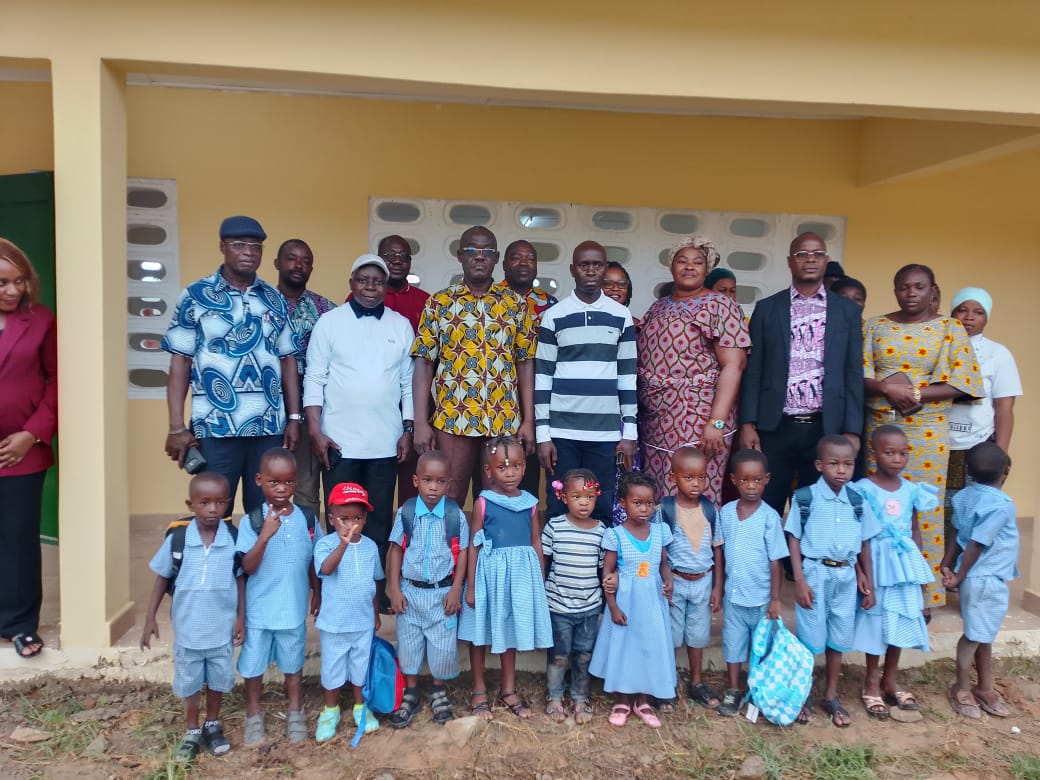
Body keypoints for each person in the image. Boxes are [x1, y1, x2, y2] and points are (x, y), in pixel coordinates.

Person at [162, 216, 301, 514]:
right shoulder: (195, 296)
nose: (249, 252)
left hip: (267, 428)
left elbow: (287, 359)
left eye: (256, 246)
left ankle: (258, 563)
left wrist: (293, 417)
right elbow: (180, 362)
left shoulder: (274, 298)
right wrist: (176, 426)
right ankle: (218, 563)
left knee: (263, 514)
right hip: (215, 429)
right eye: (239, 245)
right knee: (214, 514)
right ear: (223, 247)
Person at [739, 233, 865, 555]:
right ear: (789, 261)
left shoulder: (847, 313)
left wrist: (851, 430)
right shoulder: (767, 309)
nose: (810, 259)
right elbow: (754, 370)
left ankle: (809, 572)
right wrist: (748, 423)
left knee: (817, 507)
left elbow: (853, 372)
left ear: (825, 260)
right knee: (769, 501)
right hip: (774, 425)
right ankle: (765, 570)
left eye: (817, 253)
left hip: (826, 426)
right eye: (802, 254)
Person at [863, 264, 981, 607]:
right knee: (880, 508)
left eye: (919, 287)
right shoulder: (875, 326)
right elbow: (858, 373)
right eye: (903, 287)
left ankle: (921, 595)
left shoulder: (949, 328)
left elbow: (962, 382)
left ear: (933, 291)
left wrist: (912, 394)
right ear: (895, 289)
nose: (910, 293)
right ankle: (880, 589)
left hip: (927, 432)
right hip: (881, 427)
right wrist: (886, 388)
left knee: (923, 510)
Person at [304, 253, 413, 613]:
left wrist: (408, 427)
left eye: (377, 281)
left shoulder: (399, 326)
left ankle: (376, 590)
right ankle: (335, 588)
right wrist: (315, 430)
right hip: (339, 442)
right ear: (352, 284)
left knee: (379, 520)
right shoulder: (329, 323)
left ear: (386, 286)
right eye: (363, 280)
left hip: (384, 442)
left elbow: (408, 382)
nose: (371, 287)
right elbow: (314, 377)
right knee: (339, 516)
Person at [412, 227, 536, 505]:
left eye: (486, 252)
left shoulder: (516, 305)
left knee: (500, 496)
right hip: (453, 418)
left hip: (504, 418)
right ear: (459, 256)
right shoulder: (439, 303)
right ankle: (454, 550)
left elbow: (525, 363)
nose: (479, 257)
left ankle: (491, 550)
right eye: (471, 251)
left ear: (496, 258)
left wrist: (528, 420)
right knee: (449, 493)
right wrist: (420, 421)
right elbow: (423, 363)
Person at [140, 472, 244, 763]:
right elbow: (162, 577)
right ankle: (191, 729)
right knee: (190, 682)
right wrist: (150, 619)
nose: (213, 509)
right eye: (204, 502)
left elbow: (240, 580)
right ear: (191, 504)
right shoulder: (178, 540)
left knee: (219, 680)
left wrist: (240, 618)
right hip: (188, 632)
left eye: (220, 502)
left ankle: (212, 723)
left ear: (227, 504)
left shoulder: (233, 540)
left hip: (220, 630)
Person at [637, 236, 750, 501]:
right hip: (657, 420)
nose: (689, 267)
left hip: (699, 420)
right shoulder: (659, 306)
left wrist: (716, 422)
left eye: (697, 262)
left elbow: (734, 365)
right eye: (682, 261)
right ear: (671, 266)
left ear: (707, 268)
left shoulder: (721, 305)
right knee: (659, 492)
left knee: (695, 493)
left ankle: (699, 544)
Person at [536, 241, 637, 526]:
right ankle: (556, 569)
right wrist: (544, 436)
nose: (591, 270)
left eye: (597, 265)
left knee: (601, 506)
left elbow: (627, 376)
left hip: (604, 434)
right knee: (559, 504)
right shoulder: (554, 315)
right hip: (561, 433)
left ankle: (597, 570)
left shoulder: (621, 316)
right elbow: (543, 377)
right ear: (572, 270)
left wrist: (628, 433)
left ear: (604, 269)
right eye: (584, 265)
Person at [785, 435, 880, 727]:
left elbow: (864, 543)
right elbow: (793, 539)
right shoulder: (805, 498)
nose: (841, 470)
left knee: (838, 637)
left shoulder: (857, 500)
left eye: (848, 464)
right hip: (815, 574)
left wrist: (866, 579)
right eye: (834, 464)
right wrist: (799, 580)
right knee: (810, 637)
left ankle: (831, 694)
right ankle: (804, 696)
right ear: (819, 465)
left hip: (846, 576)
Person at [459, 436, 552, 720]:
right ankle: (479, 689)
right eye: (502, 467)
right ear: (489, 471)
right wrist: (471, 586)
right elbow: (474, 545)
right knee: (480, 634)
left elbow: (536, 542)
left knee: (508, 631)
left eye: (517, 466)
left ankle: (508, 689)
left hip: (520, 578)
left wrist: (540, 579)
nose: (510, 473)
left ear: (525, 467)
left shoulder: (531, 503)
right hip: (489, 577)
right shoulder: (483, 503)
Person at [235, 448, 322, 744]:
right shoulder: (252, 522)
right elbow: (246, 566)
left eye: (288, 482)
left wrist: (317, 593)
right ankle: (253, 713)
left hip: (293, 610)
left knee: (293, 664)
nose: (282, 489)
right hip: (259, 613)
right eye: (274, 482)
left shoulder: (307, 521)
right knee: (254, 666)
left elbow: (314, 560)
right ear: (259, 481)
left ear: (295, 483)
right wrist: (265, 535)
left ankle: (295, 711)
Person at [852, 426, 937, 719]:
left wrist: (922, 578)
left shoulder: (913, 490)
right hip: (876, 563)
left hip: (904, 565)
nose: (897, 459)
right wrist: (863, 574)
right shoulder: (862, 488)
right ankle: (871, 680)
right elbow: (860, 535)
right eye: (889, 452)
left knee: (901, 618)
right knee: (877, 622)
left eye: (903, 453)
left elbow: (915, 532)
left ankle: (890, 679)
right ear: (874, 453)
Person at [0, 238, 57, 659]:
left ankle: (19, 624)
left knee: (18, 539)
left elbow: (58, 380)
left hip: (20, 450)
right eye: (3, 283)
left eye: (19, 281)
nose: (13, 291)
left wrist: (32, 433)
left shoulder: (40, 320)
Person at [386, 450, 469, 728]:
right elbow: (396, 550)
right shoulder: (406, 513)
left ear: (449, 484)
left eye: (440, 481)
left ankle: (438, 690)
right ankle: (410, 691)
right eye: (427, 480)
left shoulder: (455, 515)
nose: (433, 487)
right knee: (408, 644)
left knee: (442, 646)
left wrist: (457, 589)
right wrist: (394, 589)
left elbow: (465, 553)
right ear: (415, 480)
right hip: (410, 593)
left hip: (442, 594)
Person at [589, 472, 675, 728]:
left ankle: (643, 699)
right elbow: (608, 572)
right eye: (637, 503)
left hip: (651, 600)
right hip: (626, 598)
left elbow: (663, 564)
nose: (644, 509)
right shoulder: (615, 535)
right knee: (624, 647)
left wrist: (668, 581)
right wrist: (612, 606)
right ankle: (622, 699)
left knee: (648, 645)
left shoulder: (660, 531)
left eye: (649, 503)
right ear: (623, 503)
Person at [941, 442, 1017, 719]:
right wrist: (959, 574)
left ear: (969, 472)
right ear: (1006, 472)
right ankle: (961, 687)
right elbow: (975, 543)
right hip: (984, 578)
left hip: (978, 577)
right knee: (974, 635)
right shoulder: (1002, 505)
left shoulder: (962, 497)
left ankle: (984, 687)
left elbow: (957, 533)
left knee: (982, 631)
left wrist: (948, 562)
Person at [714, 449, 787, 717]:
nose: (751, 486)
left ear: (767, 479)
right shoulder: (726, 513)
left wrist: (776, 598)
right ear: (733, 480)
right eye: (745, 480)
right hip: (734, 597)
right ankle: (733, 690)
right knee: (733, 644)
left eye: (757, 480)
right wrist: (719, 587)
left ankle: (759, 691)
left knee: (762, 647)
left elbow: (775, 560)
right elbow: (719, 552)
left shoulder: (770, 517)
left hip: (762, 600)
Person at [947, 287, 1022, 537]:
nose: (969, 317)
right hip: (936, 446)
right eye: (962, 310)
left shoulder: (998, 354)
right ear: (952, 312)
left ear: (987, 318)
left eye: (978, 312)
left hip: (977, 447)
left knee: (972, 520)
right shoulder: (935, 346)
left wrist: (999, 457)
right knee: (938, 516)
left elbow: (1004, 407)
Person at [313, 482, 384, 742]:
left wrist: (375, 614)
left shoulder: (370, 547)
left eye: (357, 518)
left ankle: (359, 707)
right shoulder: (324, 545)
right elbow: (326, 570)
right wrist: (342, 545)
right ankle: (330, 711)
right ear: (331, 519)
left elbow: (375, 581)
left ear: (365, 519)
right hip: (334, 622)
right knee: (332, 667)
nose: (351, 525)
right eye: (344, 519)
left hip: (362, 621)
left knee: (360, 666)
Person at [492, 239, 557, 500]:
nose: (524, 263)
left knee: (528, 460)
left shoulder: (550, 304)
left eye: (530, 258)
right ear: (504, 263)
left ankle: (526, 517)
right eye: (517, 257)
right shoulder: (491, 298)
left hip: (539, 394)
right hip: (498, 396)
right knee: (495, 462)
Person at [275, 239, 335, 514]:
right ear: (277, 263)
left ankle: (310, 554)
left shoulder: (326, 311)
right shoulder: (263, 305)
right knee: (269, 489)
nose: (299, 265)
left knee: (305, 492)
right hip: (269, 415)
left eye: (306, 260)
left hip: (312, 414)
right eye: (292, 258)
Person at [542, 468, 606, 725]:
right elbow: (544, 562)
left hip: (589, 606)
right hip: (558, 604)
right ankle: (555, 696)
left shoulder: (602, 531)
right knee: (559, 654)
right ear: (564, 497)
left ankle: (580, 697)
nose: (584, 502)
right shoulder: (554, 527)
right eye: (577, 496)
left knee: (583, 654)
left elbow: (603, 568)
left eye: (589, 497)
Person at [660, 447, 722, 712]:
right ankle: (668, 683)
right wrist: (664, 579)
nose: (696, 484)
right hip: (675, 582)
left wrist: (718, 586)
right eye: (688, 478)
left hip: (703, 582)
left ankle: (696, 682)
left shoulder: (710, 509)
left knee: (697, 635)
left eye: (701, 477)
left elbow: (718, 549)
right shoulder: (665, 509)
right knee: (672, 636)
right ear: (673, 477)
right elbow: (659, 549)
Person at [377, 234, 430, 507]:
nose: (397, 261)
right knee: (380, 475)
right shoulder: (364, 296)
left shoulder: (426, 301)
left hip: (417, 398)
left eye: (404, 256)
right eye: (390, 255)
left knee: (414, 475)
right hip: (378, 400)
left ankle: (410, 537)